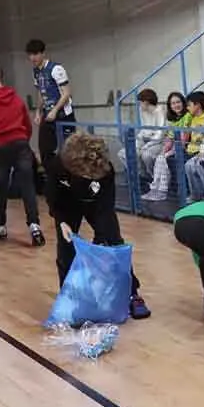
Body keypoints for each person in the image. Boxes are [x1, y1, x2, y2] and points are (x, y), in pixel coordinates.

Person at [50, 133, 151, 320]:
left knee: (114, 242)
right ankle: (70, 298)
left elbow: (106, 206)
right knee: (66, 248)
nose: (89, 178)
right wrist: (61, 221)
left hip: (96, 204)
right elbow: (53, 196)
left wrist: (101, 239)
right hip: (67, 205)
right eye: (85, 175)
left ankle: (132, 294)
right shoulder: (58, 165)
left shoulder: (106, 170)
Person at [0, 61, 44, 246]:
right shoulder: (16, 99)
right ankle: (34, 225)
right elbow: (27, 125)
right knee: (27, 186)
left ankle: (0, 225)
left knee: (0, 187)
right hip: (21, 145)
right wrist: (22, 141)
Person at [26, 39, 75, 195]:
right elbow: (41, 92)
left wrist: (55, 110)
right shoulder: (36, 72)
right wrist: (38, 111)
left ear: (42, 53)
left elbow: (66, 93)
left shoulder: (56, 69)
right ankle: (54, 182)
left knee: (67, 150)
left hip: (63, 116)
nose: (33, 58)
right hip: (48, 116)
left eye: (36, 54)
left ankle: (70, 183)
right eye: (30, 55)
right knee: (45, 150)